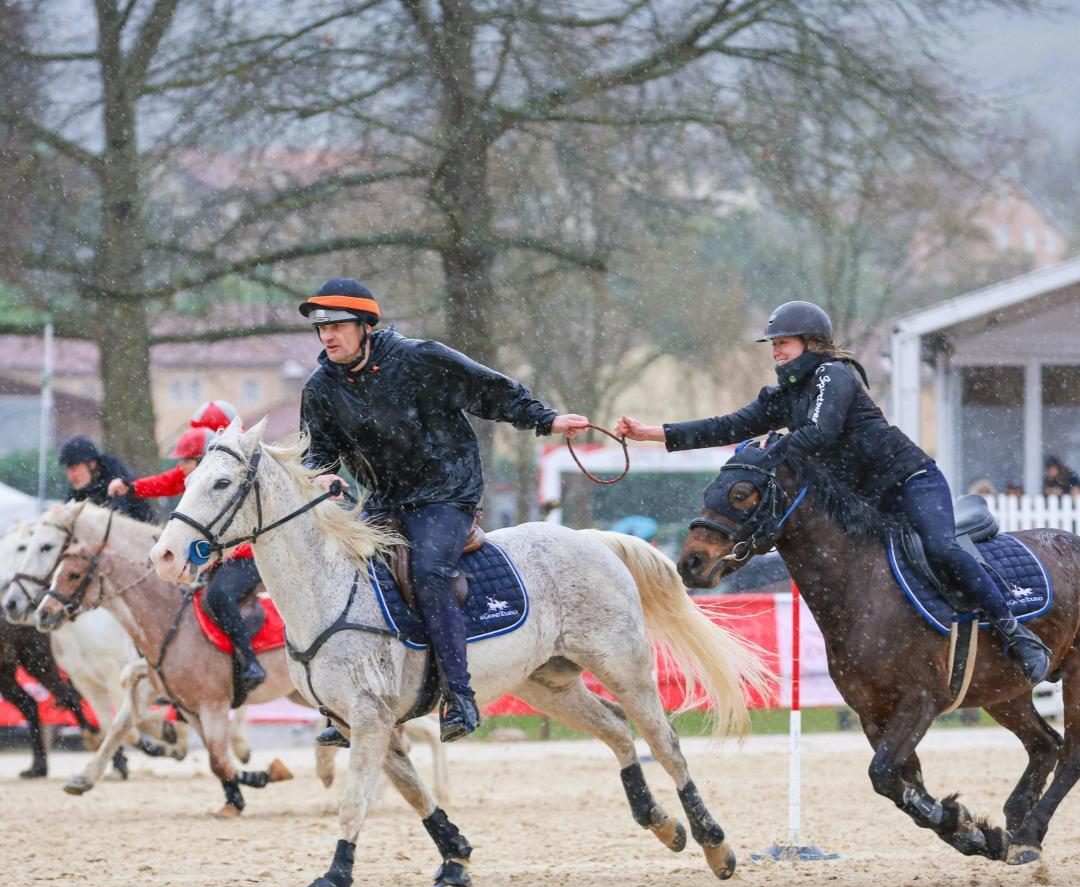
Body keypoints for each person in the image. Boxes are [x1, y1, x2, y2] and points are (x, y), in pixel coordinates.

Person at [614, 300, 1052, 685]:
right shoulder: (784, 395)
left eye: (784, 342)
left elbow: (820, 432)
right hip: (867, 501)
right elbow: (725, 426)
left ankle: (1017, 633)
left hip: (911, 481)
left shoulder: (833, 375)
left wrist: (773, 448)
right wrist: (653, 433)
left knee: (940, 546)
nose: (776, 351)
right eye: (773, 344)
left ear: (811, 342)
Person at [298, 277, 590, 741]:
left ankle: (459, 696)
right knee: (339, 570)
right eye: (320, 329)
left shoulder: (420, 358)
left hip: (446, 491)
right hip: (383, 500)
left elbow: (490, 390)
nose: (327, 336)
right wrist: (321, 473)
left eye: (337, 325)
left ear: (365, 326)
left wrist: (545, 419)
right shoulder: (320, 387)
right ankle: (346, 703)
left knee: (430, 572)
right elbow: (316, 449)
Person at [107, 408, 267, 698]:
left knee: (218, 596)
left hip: (242, 557)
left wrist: (131, 488)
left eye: (186, 458)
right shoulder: (203, 473)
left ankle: (250, 663)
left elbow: (168, 482)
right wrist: (132, 489)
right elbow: (168, 481)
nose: (180, 467)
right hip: (220, 557)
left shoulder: (233, 472)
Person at [58, 436, 154, 523]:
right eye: (67, 470)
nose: (70, 476)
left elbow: (115, 521)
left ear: (92, 464)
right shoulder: (81, 484)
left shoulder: (118, 481)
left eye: (74, 469)